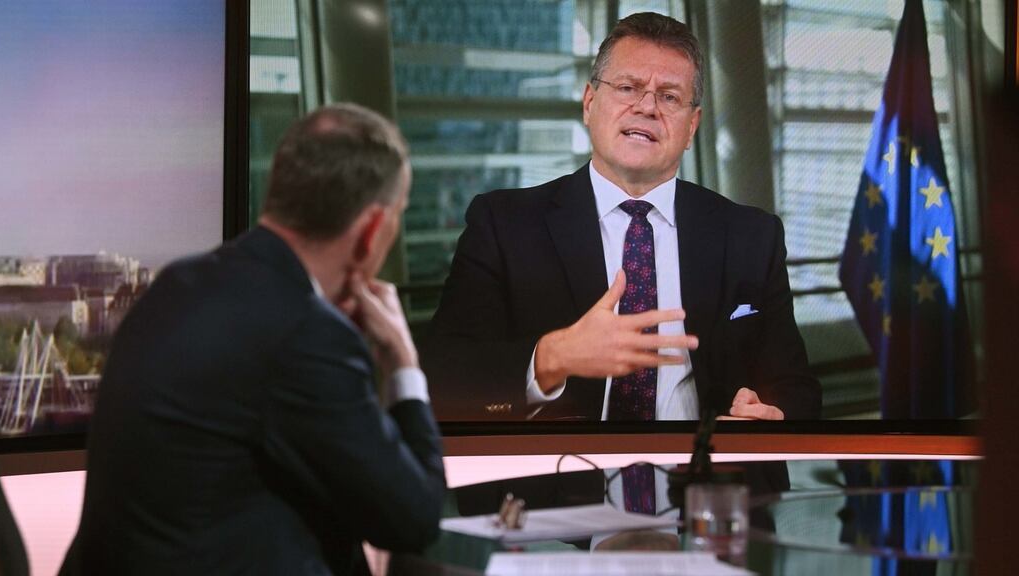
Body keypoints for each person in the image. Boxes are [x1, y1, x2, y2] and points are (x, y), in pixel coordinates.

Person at [62, 104, 445, 575]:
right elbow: (414, 521)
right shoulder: (304, 333)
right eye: (397, 217)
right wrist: (403, 364)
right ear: (369, 231)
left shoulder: (178, 283)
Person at [424, 12, 820, 422]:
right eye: (628, 87)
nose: (647, 107)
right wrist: (551, 357)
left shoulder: (751, 236)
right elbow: (443, 383)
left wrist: (771, 414)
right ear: (590, 103)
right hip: (560, 481)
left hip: (707, 479)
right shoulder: (503, 225)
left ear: (692, 127)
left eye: (669, 96)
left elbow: (797, 390)